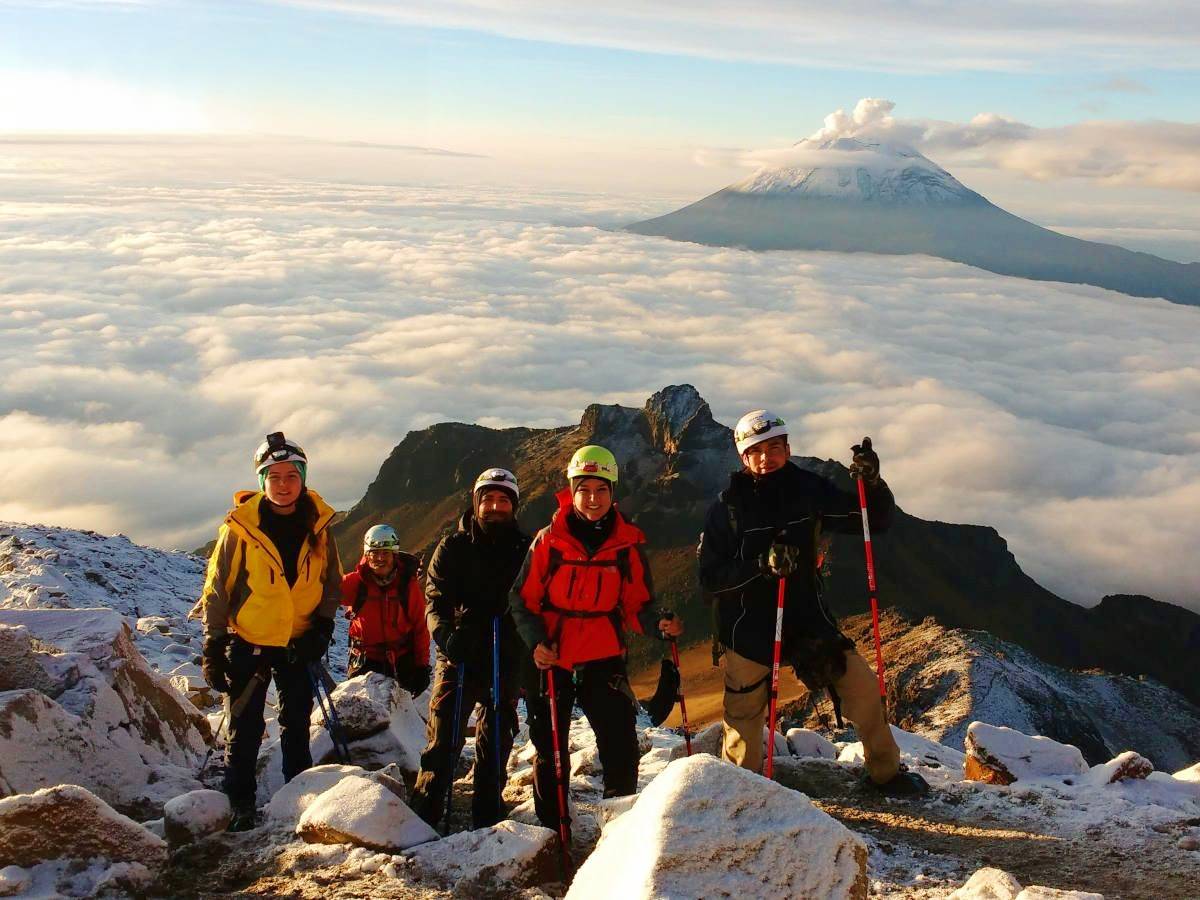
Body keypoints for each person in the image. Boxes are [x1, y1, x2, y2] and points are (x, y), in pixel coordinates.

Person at [698, 409, 927, 795]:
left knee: (864, 692)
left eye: (774, 447)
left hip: (807, 619)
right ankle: (742, 791)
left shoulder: (808, 490)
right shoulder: (728, 508)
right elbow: (710, 580)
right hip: (747, 626)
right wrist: (761, 566)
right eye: (756, 450)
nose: (766, 457)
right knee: (743, 718)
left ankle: (886, 775)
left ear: (788, 448)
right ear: (743, 457)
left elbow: (871, 519)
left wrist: (872, 484)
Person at [510, 446, 684, 831]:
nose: (592, 498)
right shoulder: (548, 541)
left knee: (620, 744)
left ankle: (617, 827)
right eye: (584, 489)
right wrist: (536, 641)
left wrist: (658, 625)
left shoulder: (626, 545)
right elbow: (522, 601)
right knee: (550, 750)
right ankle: (553, 829)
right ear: (571, 492)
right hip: (552, 655)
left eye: (600, 490)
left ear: (612, 492)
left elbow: (636, 604)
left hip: (603, 653)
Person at [197, 432, 343, 831]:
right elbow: (218, 588)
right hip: (252, 641)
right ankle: (239, 802)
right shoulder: (240, 529)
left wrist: (323, 627)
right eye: (273, 476)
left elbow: (332, 582)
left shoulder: (319, 525)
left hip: (300, 642)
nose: (283, 484)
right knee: (244, 728)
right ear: (261, 481)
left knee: (296, 723)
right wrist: (214, 644)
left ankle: (299, 798)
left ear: (303, 479)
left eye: (291, 476)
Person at [409, 468, 534, 830]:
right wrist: (446, 636)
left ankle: (488, 814)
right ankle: (425, 814)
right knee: (443, 738)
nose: (495, 507)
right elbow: (435, 599)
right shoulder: (452, 548)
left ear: (514, 506)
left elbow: (534, 600)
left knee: (496, 740)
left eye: (503, 500)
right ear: (476, 503)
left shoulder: (525, 549)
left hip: (505, 654)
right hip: (459, 655)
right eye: (488, 500)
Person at [340, 524, 431, 696]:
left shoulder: (407, 587)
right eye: (375, 553)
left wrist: (421, 666)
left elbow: (420, 626)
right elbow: (324, 594)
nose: (380, 558)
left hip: (402, 660)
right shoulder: (355, 583)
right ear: (367, 555)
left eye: (385, 553)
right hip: (366, 660)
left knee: (401, 712)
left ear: (394, 555)